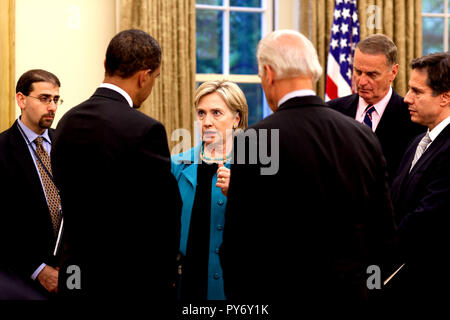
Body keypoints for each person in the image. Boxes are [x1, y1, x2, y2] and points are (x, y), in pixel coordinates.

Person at [220, 30, 397, 312]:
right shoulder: (364, 137)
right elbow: (383, 238)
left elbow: (240, 249)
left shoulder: (256, 139)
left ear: (268, 72)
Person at [52, 29, 181, 303]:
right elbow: (164, 214)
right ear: (144, 76)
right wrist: (168, 277)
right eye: (155, 79)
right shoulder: (145, 129)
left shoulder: (65, 123)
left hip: (74, 275)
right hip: (127, 281)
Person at [171, 80, 248, 300]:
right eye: (201, 113)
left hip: (233, 288)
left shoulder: (253, 168)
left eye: (216, 113)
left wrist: (240, 194)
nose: (207, 122)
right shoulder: (177, 164)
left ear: (236, 119)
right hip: (185, 286)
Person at [390, 52, 450, 306]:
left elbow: (425, 220)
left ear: (445, 97)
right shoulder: (417, 141)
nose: (407, 98)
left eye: (417, 91)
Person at [327, 34, 425, 184]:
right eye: (358, 72)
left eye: (372, 74)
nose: (362, 81)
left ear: (393, 72)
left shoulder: (414, 120)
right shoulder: (332, 111)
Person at [0, 69, 63, 299]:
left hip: (70, 271)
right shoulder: (3, 149)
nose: (53, 107)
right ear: (21, 99)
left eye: (56, 99)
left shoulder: (67, 143)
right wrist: (38, 270)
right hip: (21, 279)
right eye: (44, 98)